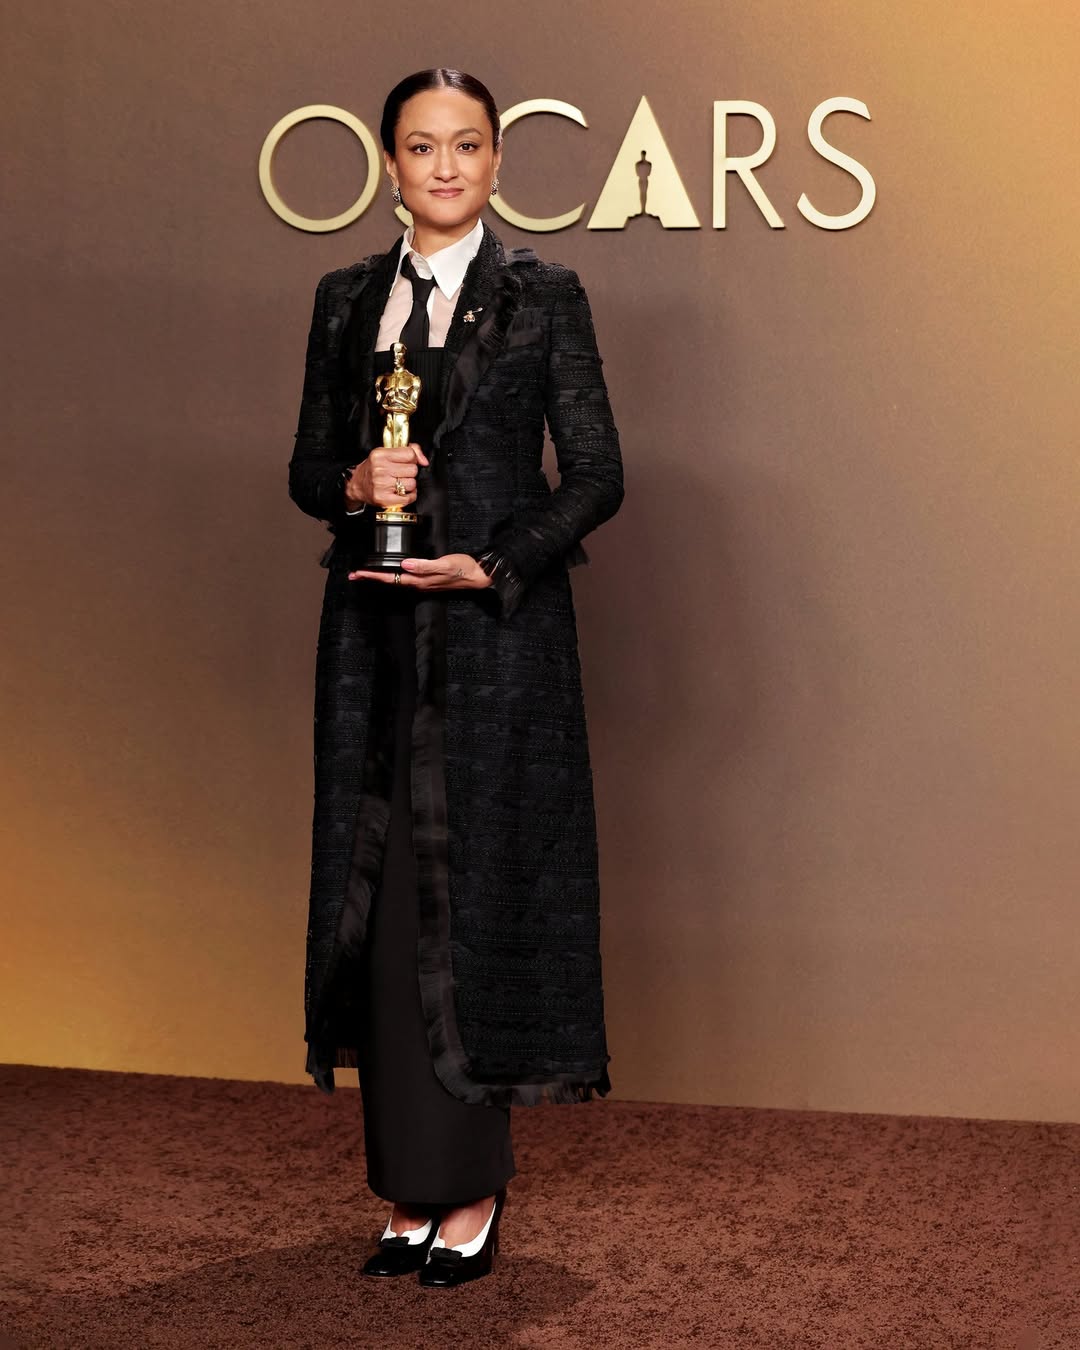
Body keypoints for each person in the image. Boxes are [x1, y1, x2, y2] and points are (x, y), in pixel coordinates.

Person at [287, 67, 624, 1288]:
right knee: (377, 908)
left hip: (495, 644)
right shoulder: (344, 298)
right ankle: (407, 1192)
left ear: (495, 163)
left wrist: (490, 565)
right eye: (421, 147)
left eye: (466, 146)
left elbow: (595, 472)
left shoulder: (543, 295)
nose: (444, 166)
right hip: (369, 639)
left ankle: (471, 1194)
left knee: (472, 899)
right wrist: (351, 487)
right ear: (388, 166)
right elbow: (307, 463)